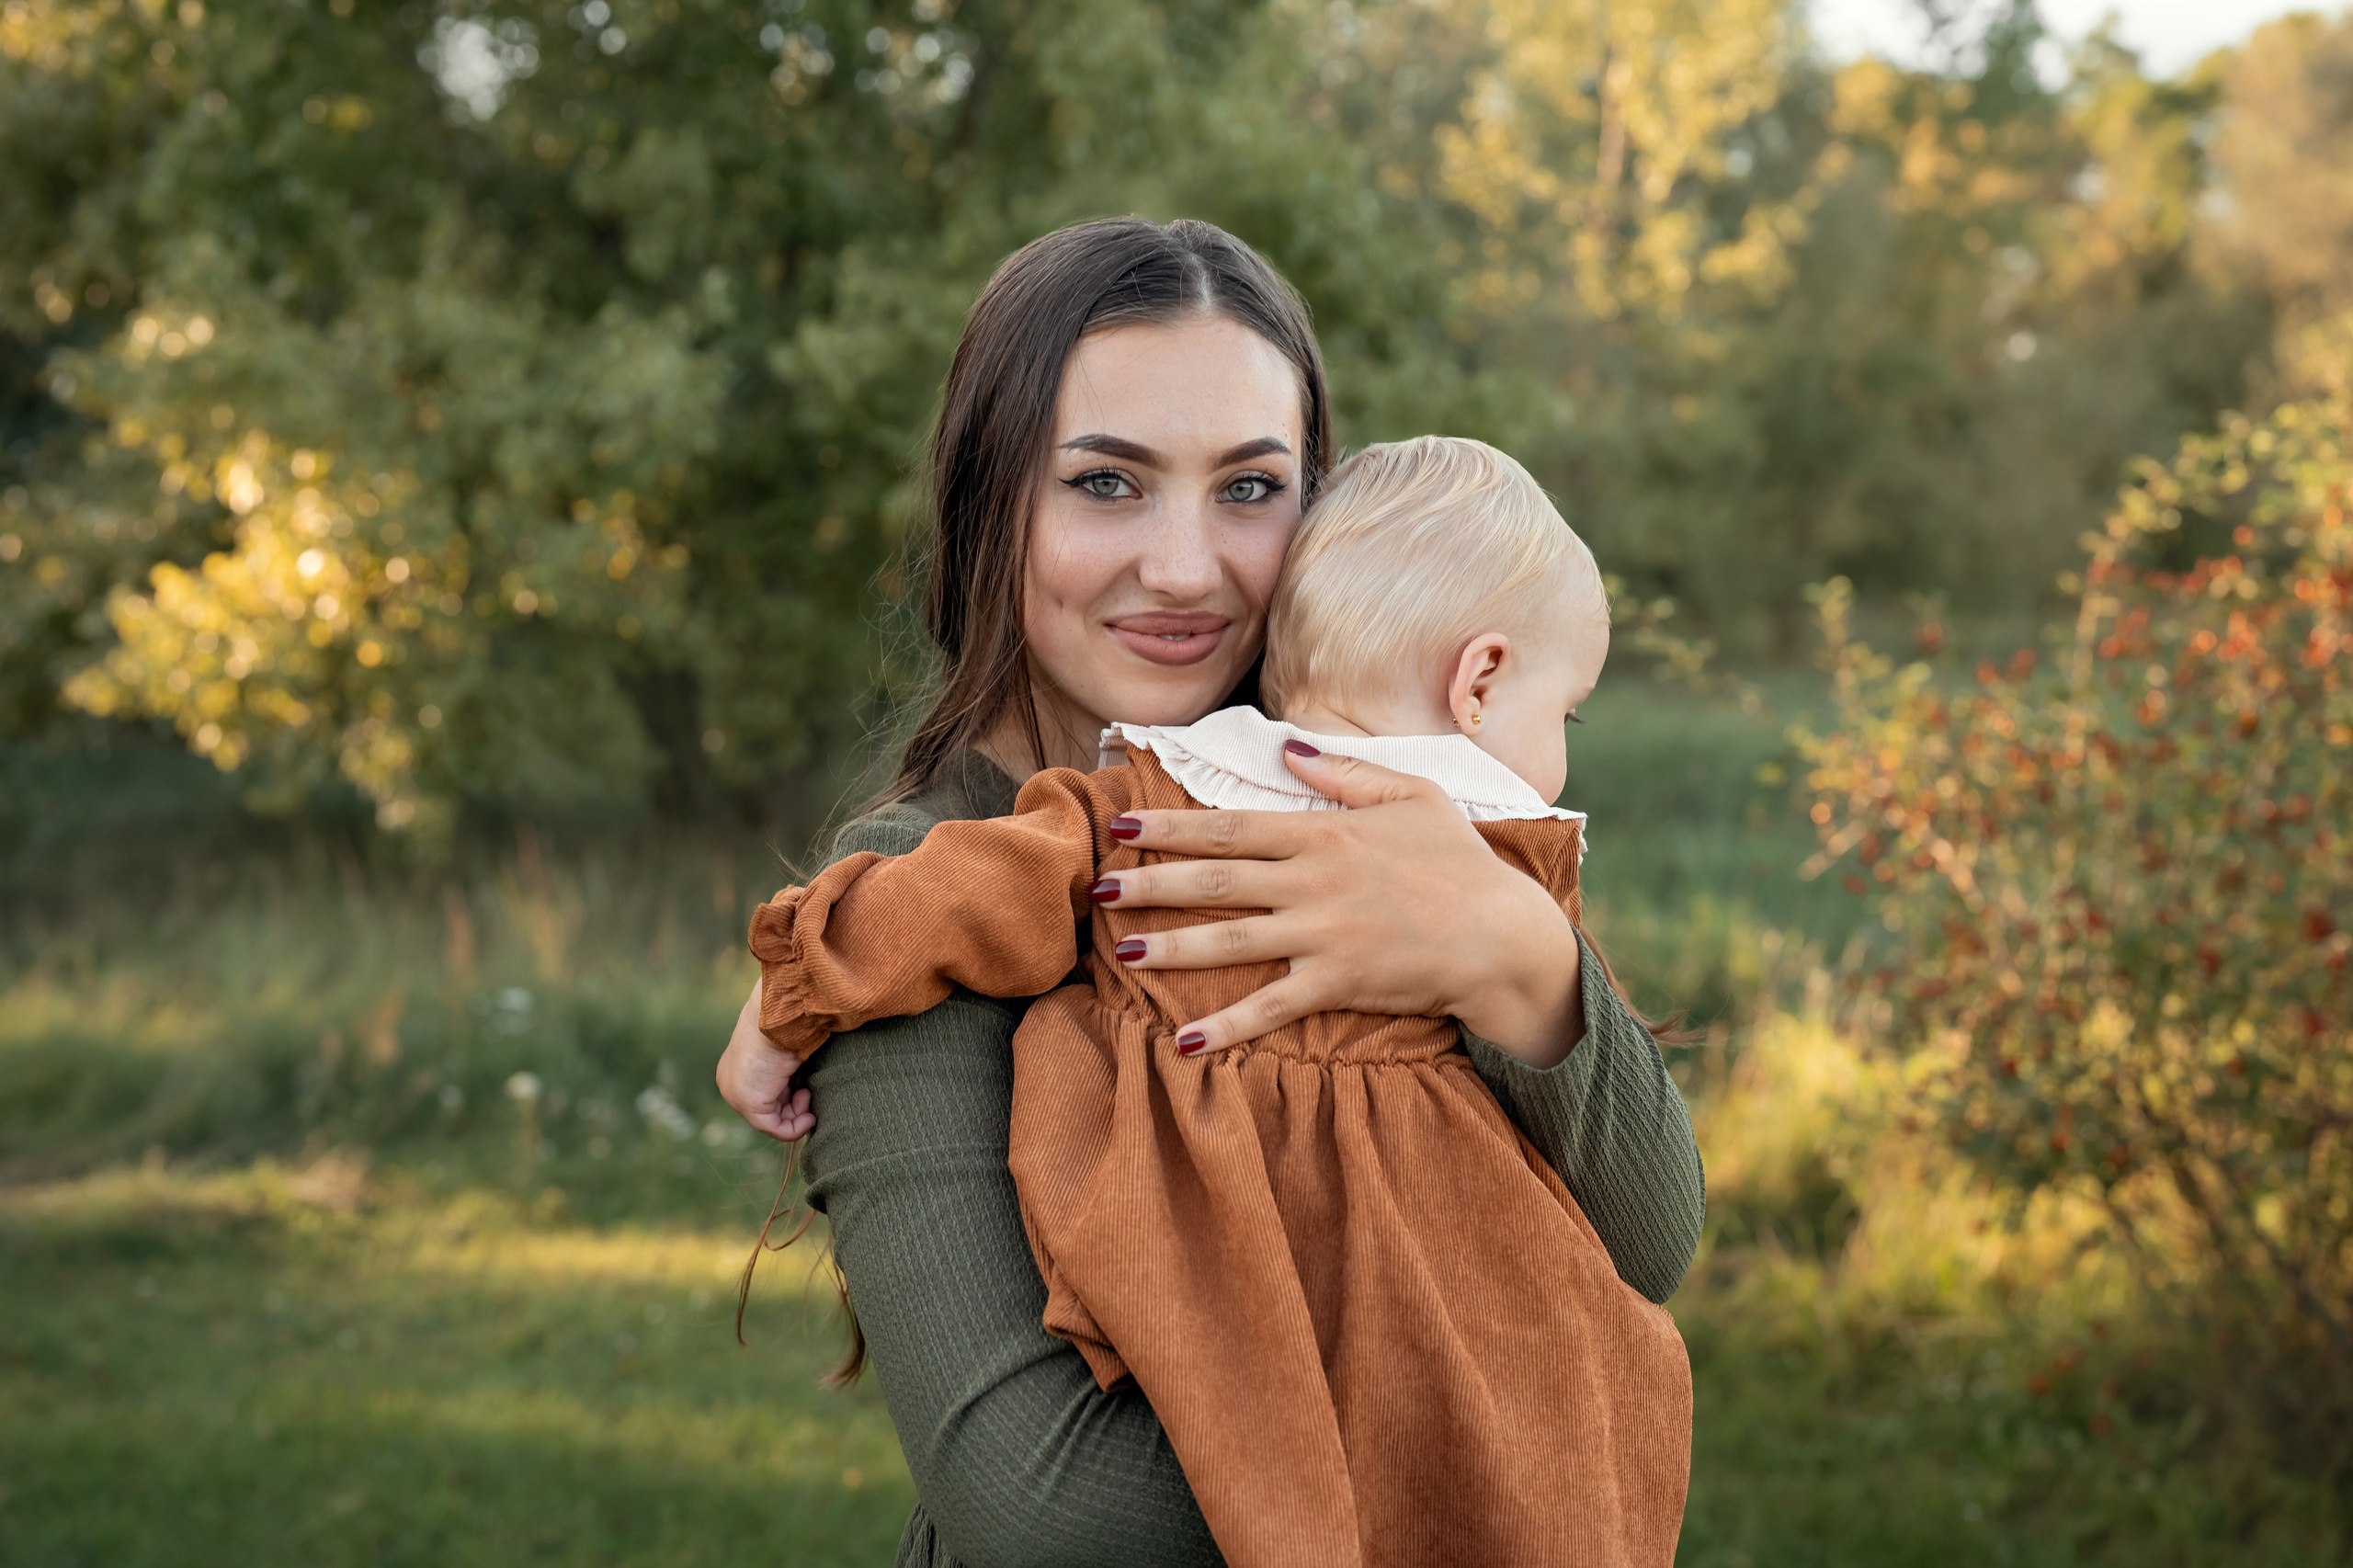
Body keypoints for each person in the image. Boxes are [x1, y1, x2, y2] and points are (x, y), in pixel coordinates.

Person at [715, 217, 1704, 1568]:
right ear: (988, 502)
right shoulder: (924, 895)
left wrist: (1520, 959)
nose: (1186, 567)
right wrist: (1498, 1441)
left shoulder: (1372, 808)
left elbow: (1650, 1240)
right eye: (1107, 484)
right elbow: (1043, 1504)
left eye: (1249, 489)